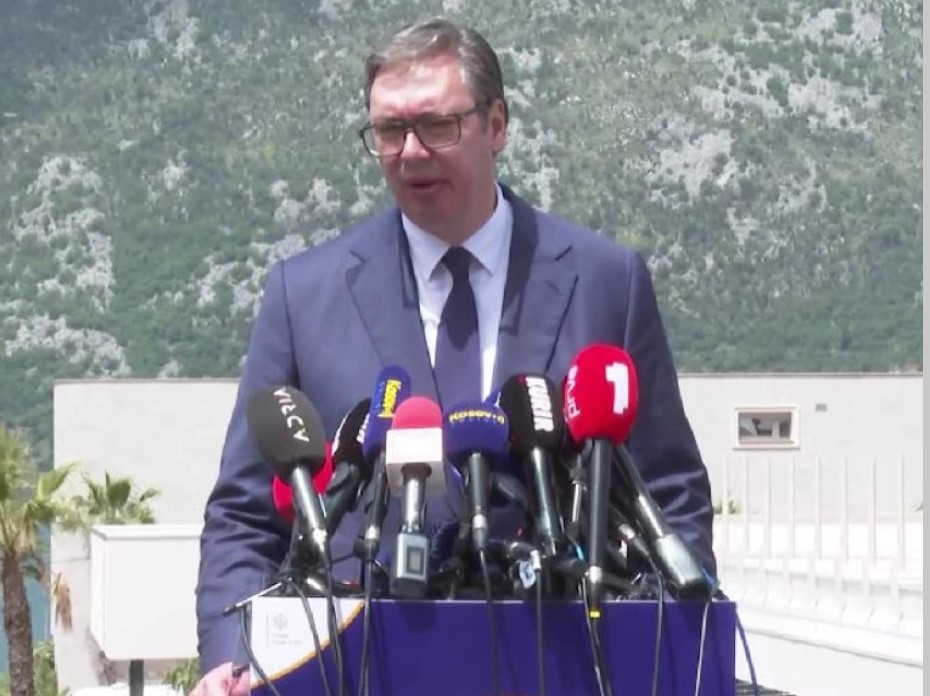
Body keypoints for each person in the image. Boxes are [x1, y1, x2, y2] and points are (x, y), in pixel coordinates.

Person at [192, 16, 715, 696]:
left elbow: (669, 490)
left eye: (437, 125)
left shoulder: (606, 282)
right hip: (359, 671)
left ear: (496, 124)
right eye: (389, 130)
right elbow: (244, 514)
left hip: (563, 667)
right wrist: (233, 657)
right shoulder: (304, 294)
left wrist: (676, 651)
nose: (411, 152)